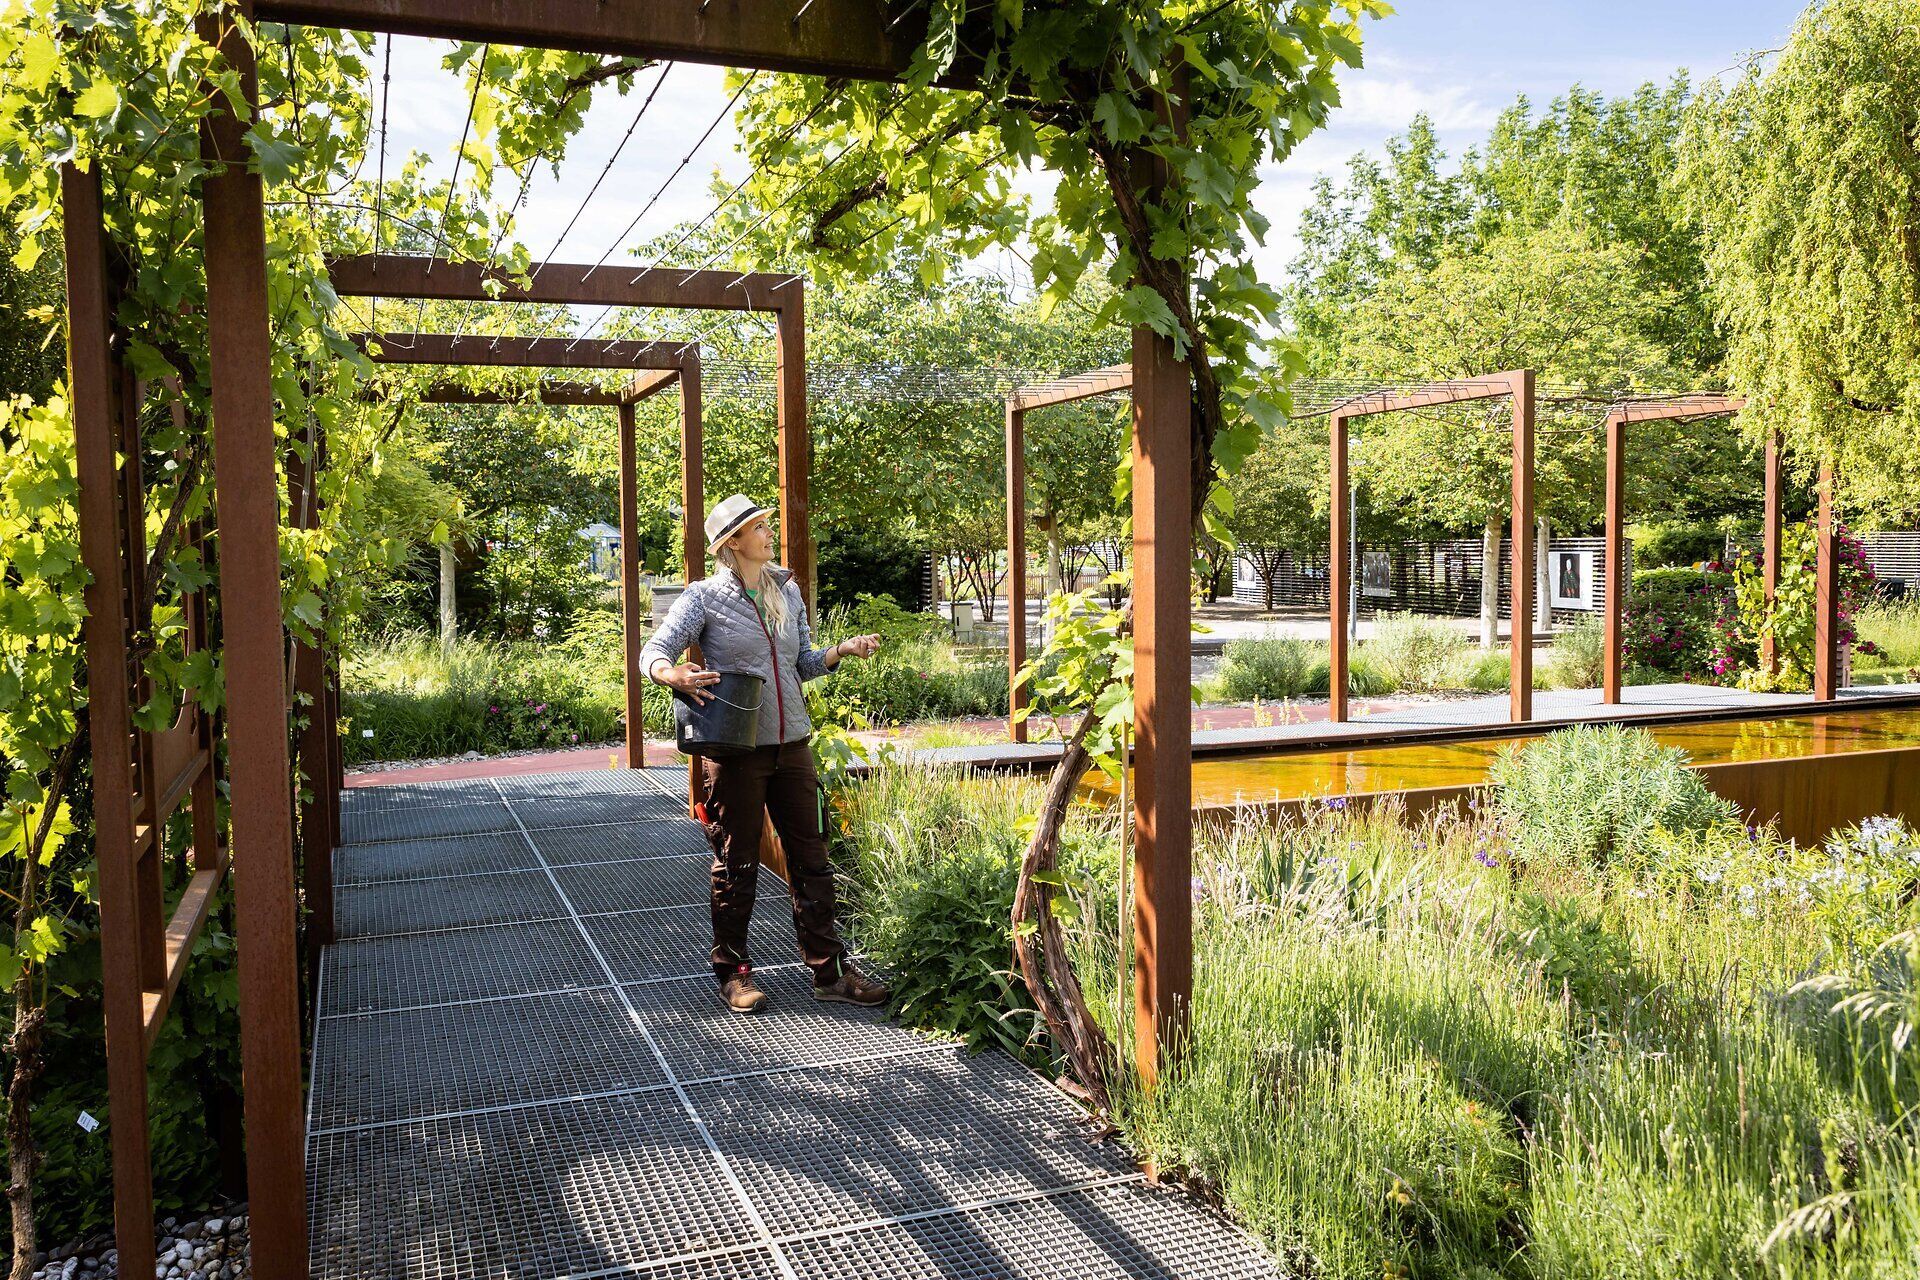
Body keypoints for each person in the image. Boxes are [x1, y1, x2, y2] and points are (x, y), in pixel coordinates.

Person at [638, 494, 889, 1014]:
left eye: (767, 525)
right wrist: (673, 674)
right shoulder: (703, 598)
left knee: (813, 860)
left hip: (792, 743)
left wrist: (840, 652)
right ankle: (733, 973)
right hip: (736, 751)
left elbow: (802, 663)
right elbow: (653, 652)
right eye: (759, 528)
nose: (769, 533)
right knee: (736, 863)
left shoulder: (786, 592)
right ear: (733, 542)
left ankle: (831, 973)